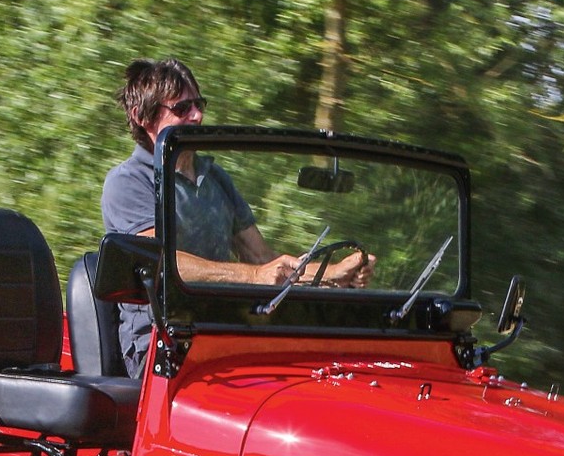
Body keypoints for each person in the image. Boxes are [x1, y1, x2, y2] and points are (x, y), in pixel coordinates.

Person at [100, 58, 368, 375]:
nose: (198, 116)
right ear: (142, 116)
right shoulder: (128, 182)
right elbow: (159, 264)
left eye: (199, 104)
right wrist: (253, 277)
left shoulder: (214, 177)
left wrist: (332, 276)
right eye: (182, 108)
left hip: (225, 330)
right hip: (162, 347)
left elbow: (262, 258)